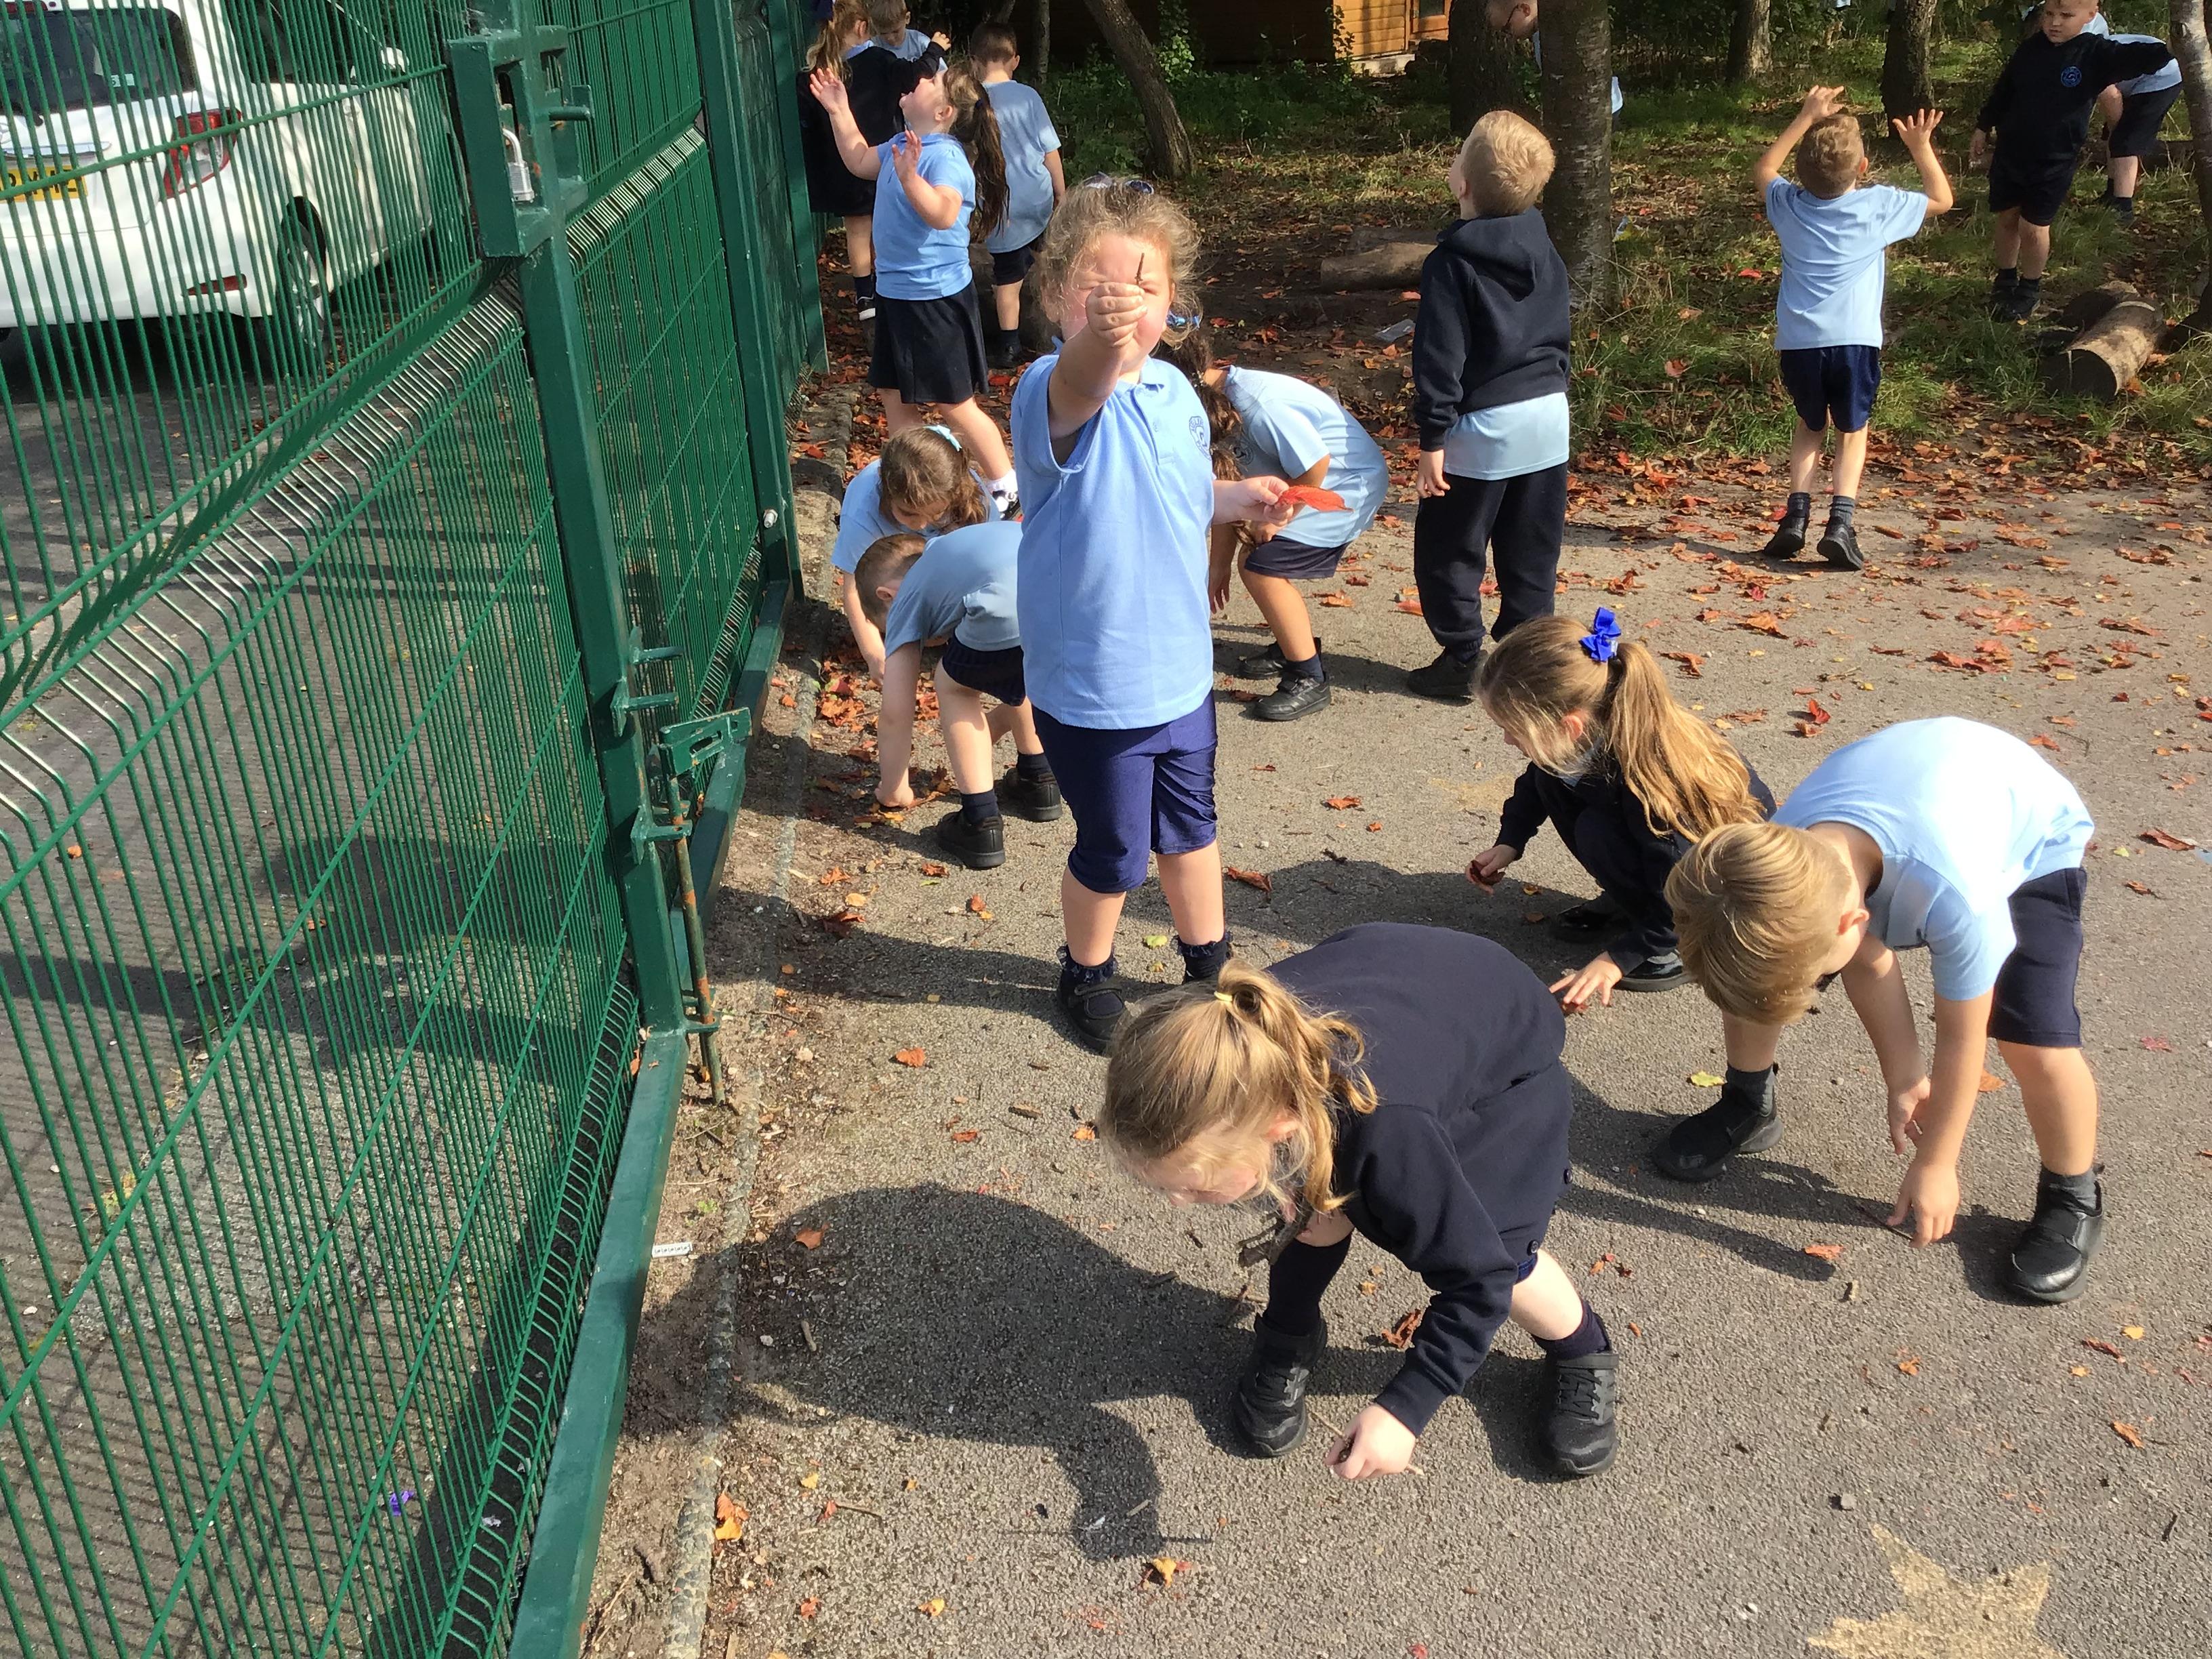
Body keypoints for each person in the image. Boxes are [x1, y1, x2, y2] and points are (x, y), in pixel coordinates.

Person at [1099, 926, 1620, 1480]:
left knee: (1503, 1253)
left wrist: (1406, 1409)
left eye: (1198, 1186)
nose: (1179, 1203)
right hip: (1410, 987)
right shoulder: (1234, 1043)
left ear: (1278, 1126)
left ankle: (1583, 1348)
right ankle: (1290, 1333)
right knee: (1312, 1205)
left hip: (1506, 1058)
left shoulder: (1389, 1134)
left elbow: (1479, 1279)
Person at [1660, 718, 2105, 1305]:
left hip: (2026, 837)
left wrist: (1937, 1161)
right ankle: (1748, 1102)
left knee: (2034, 1040)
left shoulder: (1958, 899)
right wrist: (1905, 1077)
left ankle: (2073, 1195)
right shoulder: (1772, 864)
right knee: (1756, 975)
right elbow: (1868, 959)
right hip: (1910, 801)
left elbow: (1962, 1037)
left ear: (1855, 920)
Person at [1010, 178, 1296, 1049]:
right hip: (1095, 684)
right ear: (1057, 296)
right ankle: (1085, 970)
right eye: (1099, 289)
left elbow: (1182, 493)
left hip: (1180, 671)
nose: (1125, 305)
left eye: (1146, 289)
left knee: (1192, 829)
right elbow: (1086, 378)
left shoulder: (1173, 389)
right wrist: (1101, 336)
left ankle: (1210, 963)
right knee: (1114, 852)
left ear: (1174, 305)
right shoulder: (1049, 391)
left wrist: (1242, 497)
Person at [1468, 608, 1774, 1007]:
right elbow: (1534, 783)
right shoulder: (1597, 728)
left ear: (1570, 726)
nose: (1508, 740)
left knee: (1598, 830)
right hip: (1668, 859)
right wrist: (1510, 841)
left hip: (1718, 891)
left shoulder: (1654, 788)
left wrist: (1618, 958)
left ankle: (1676, 945)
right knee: (1551, 780)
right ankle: (1632, 901)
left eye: (1512, 730)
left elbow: (1686, 876)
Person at [1408, 110, 1571, 705]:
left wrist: (1432, 440)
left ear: (1462, 183)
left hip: (1483, 427)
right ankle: (1530, 662)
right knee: (1532, 547)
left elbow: (1439, 358)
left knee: (1450, 546)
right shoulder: (1544, 246)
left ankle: (1460, 658)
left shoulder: (1451, 263)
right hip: (1548, 415)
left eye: (1459, 155)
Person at [811, 49, 1020, 512]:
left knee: (954, 403)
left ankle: (1008, 489)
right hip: (895, 295)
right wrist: (839, 109)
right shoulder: (900, 144)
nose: (920, 78)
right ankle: (910, 483)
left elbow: (943, 213)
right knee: (892, 392)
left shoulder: (944, 157)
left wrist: (910, 179)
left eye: (932, 81)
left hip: (935, 301)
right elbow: (859, 159)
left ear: (944, 112)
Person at [1752, 89, 1951, 571]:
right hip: (1855, 343)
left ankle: (1795, 518)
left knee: (1809, 425)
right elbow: (1943, 200)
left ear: (1801, 172)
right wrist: (1920, 146)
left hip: (1799, 342)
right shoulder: (1878, 205)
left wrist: (1805, 116)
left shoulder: (1787, 204)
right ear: (1863, 168)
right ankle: (1840, 524)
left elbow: (1764, 168)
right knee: (1852, 429)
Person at [1158, 324, 1388, 722]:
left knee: (1259, 565)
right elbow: (1228, 488)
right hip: (1306, 483)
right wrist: (1217, 568)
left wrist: (1284, 519)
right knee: (1253, 557)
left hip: (1346, 484)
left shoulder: (1257, 404)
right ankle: (1290, 642)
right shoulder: (1207, 408)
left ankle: (1309, 677)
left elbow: (1316, 464)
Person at [853, 527, 1062, 868]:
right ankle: (1039, 781)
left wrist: (894, 788)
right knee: (1022, 669)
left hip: (1009, 608)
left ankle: (980, 823)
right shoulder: (950, 554)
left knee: (955, 687)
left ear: (887, 595)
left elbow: (895, 713)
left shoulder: (906, 597)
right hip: (1060, 595)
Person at [1970, 0, 2173, 321]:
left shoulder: (2095, 53)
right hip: (2012, 153)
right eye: (2050, 15)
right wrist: (1983, 126)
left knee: (2033, 226)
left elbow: (2141, 57)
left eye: (2066, 16)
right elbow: (2004, 91)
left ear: (2091, 15)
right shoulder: (2030, 50)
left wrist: (2175, 44)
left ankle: (2029, 287)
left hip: (2055, 159)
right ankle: (2005, 280)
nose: (2055, 23)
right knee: (2008, 217)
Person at [830, 426, 994, 677]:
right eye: (908, 513)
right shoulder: (864, 510)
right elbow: (854, 586)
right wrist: (875, 655)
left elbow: (989, 562)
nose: (921, 524)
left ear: (956, 493)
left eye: (936, 514)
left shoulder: (968, 494)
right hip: (892, 561)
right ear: (885, 489)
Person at [970, 22, 1065, 369]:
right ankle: (1062, 330)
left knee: (1007, 283)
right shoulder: (1029, 97)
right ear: (1015, 60)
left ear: (974, 61)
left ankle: (1010, 346)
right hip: (1037, 198)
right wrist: (1061, 193)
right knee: (1050, 262)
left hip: (1001, 208)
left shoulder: (972, 102)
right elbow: (1050, 151)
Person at [798, 2, 878, 331]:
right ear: (861, 27)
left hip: (839, 171)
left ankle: (865, 301)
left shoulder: (815, 75)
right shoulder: (878, 62)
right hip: (876, 158)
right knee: (882, 229)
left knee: (857, 233)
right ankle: (886, 292)